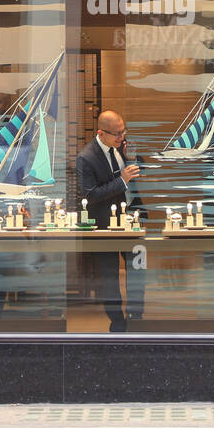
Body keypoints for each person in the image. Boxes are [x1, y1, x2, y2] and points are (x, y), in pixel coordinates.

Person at [76, 111, 147, 332]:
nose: (122, 136)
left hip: (132, 221)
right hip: (104, 225)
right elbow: (90, 195)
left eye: (123, 130)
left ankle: (136, 317)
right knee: (109, 277)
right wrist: (122, 181)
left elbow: (136, 172)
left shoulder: (122, 146)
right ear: (101, 133)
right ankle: (117, 323)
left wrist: (134, 159)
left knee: (138, 271)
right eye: (117, 133)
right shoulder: (86, 157)